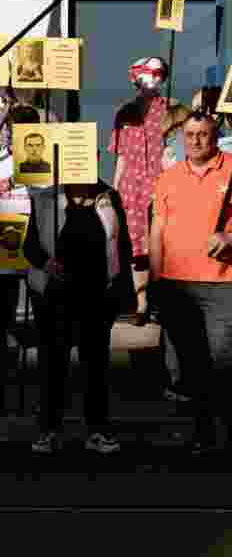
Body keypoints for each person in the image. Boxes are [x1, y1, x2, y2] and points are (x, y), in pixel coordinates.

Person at [149, 111, 232, 462]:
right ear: (181, 138)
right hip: (175, 283)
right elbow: (158, 231)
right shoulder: (168, 177)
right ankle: (201, 435)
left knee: (226, 361)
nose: (196, 140)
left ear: (214, 136)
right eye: (190, 134)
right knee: (191, 365)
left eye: (203, 134)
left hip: (221, 282)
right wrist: (155, 280)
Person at [25, 179, 134, 454]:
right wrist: (46, 263)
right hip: (55, 294)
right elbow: (30, 247)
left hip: (97, 295)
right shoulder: (45, 196)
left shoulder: (108, 196)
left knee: (95, 366)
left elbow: (122, 244)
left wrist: (123, 291)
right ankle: (49, 430)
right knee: (53, 364)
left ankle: (97, 431)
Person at [109, 56, 173, 327]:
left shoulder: (170, 111)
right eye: (151, 73)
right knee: (136, 247)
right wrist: (114, 188)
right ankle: (141, 303)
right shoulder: (124, 114)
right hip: (131, 187)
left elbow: (175, 151)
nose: (156, 79)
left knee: (161, 244)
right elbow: (121, 155)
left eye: (161, 74)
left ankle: (161, 301)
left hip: (161, 183)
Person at [0, 102, 40, 415]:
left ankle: (41, 389)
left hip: (39, 246)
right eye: (12, 130)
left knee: (43, 316)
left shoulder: (46, 160)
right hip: (7, 246)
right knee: (4, 317)